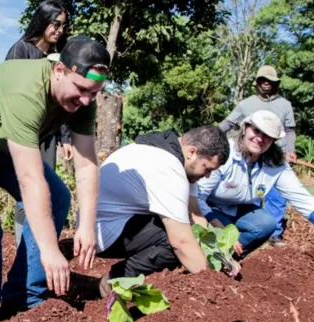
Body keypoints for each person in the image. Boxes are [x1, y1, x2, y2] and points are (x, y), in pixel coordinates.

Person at [0, 35, 110, 320]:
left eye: (95, 92)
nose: (87, 99)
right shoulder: (26, 90)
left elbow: (87, 163)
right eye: (82, 89)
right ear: (60, 71)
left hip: (4, 144)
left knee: (59, 197)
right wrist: (51, 250)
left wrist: (86, 226)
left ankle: (25, 297)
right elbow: (30, 178)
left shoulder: (83, 99)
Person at [200, 110, 314, 257]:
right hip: (207, 207)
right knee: (227, 232)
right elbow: (198, 198)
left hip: (237, 208)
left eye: (267, 136)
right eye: (256, 131)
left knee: (265, 223)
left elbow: (302, 198)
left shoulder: (276, 164)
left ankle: (226, 261)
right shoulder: (226, 153)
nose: (259, 139)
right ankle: (201, 256)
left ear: (273, 140)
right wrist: (223, 229)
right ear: (245, 128)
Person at [94, 126, 232, 296]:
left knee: (187, 237)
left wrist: (218, 256)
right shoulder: (168, 168)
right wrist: (212, 283)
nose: (208, 176)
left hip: (120, 223)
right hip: (101, 232)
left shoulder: (174, 155)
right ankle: (113, 282)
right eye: (207, 168)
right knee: (174, 244)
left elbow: (195, 213)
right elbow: (180, 242)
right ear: (192, 152)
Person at [5, 0, 74, 247]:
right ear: (43, 21)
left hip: (48, 135)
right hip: (24, 133)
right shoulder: (21, 50)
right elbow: (10, 92)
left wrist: (66, 138)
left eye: (63, 25)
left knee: (46, 190)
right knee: (28, 188)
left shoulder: (59, 58)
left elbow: (64, 98)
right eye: (55, 24)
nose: (59, 30)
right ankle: (24, 246)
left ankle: (41, 246)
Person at [219, 65, 297, 246]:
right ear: (257, 83)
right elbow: (228, 123)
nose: (266, 84)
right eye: (262, 80)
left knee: (277, 196)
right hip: (250, 156)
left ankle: (275, 233)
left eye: (270, 81)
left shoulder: (285, 105)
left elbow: (290, 130)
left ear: (276, 83)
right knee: (249, 193)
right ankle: (244, 228)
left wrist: (290, 149)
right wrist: (211, 136)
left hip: (275, 157)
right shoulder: (247, 104)